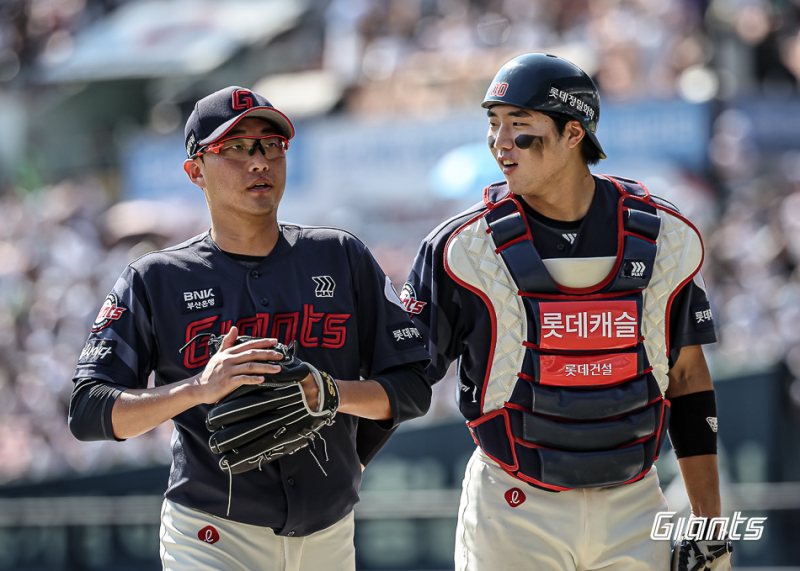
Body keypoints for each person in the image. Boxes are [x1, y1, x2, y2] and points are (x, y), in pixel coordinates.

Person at [68, 86, 432, 571]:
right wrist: (199, 388)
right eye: (235, 148)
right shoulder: (156, 278)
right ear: (195, 170)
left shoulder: (340, 255)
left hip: (329, 534)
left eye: (270, 145)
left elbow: (412, 389)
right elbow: (89, 411)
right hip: (212, 535)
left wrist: (328, 391)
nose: (259, 161)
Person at [402, 54, 722, 570]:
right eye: (493, 123)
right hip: (512, 504)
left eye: (519, 125)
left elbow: (687, 378)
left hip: (636, 504)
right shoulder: (461, 247)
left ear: (574, 133)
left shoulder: (665, 237)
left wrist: (711, 528)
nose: (500, 142)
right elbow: (404, 379)